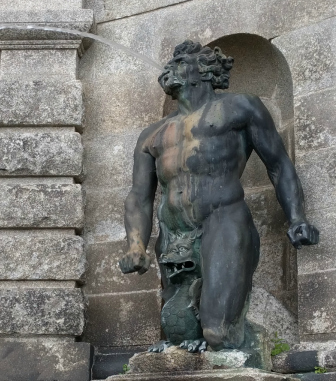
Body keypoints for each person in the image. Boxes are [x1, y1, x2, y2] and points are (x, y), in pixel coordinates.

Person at [118, 40, 319, 352]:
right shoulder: (153, 134)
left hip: (223, 220)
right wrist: (135, 244)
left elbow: (279, 165)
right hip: (173, 235)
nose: (171, 68)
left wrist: (297, 218)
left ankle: (257, 343)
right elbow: (139, 196)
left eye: (181, 62)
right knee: (179, 335)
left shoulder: (240, 107)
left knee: (217, 334)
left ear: (205, 70)